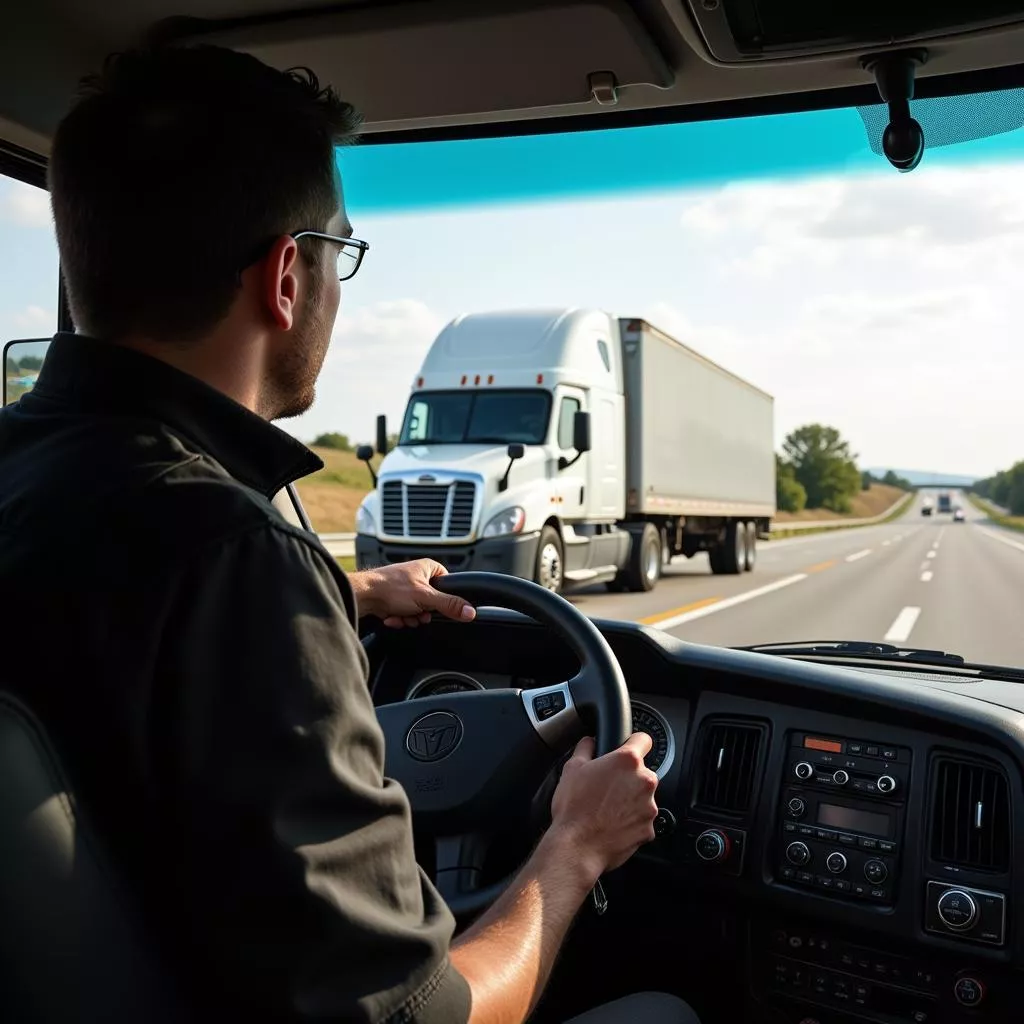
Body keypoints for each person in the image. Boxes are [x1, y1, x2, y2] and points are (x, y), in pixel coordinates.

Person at [0, 46, 700, 1024]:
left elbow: (95, 609)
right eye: (341, 251)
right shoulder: (234, 559)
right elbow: (412, 1015)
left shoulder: (40, 474)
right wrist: (574, 846)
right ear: (288, 274)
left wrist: (351, 592)